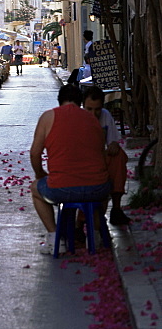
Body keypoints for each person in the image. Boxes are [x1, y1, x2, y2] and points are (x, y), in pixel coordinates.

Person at [29, 83, 111, 253]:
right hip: (97, 188)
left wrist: (40, 174)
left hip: (62, 188)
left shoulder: (48, 117)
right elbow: (102, 155)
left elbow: (35, 154)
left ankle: (54, 239)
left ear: (59, 102)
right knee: (99, 193)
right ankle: (94, 236)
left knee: (35, 189)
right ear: (80, 102)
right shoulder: (93, 119)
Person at [82, 84, 131, 226]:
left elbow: (113, 142)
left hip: (100, 159)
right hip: (83, 163)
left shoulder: (105, 115)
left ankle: (116, 208)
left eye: (97, 110)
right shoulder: (79, 118)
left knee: (119, 157)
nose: (93, 114)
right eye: (89, 109)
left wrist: (114, 145)